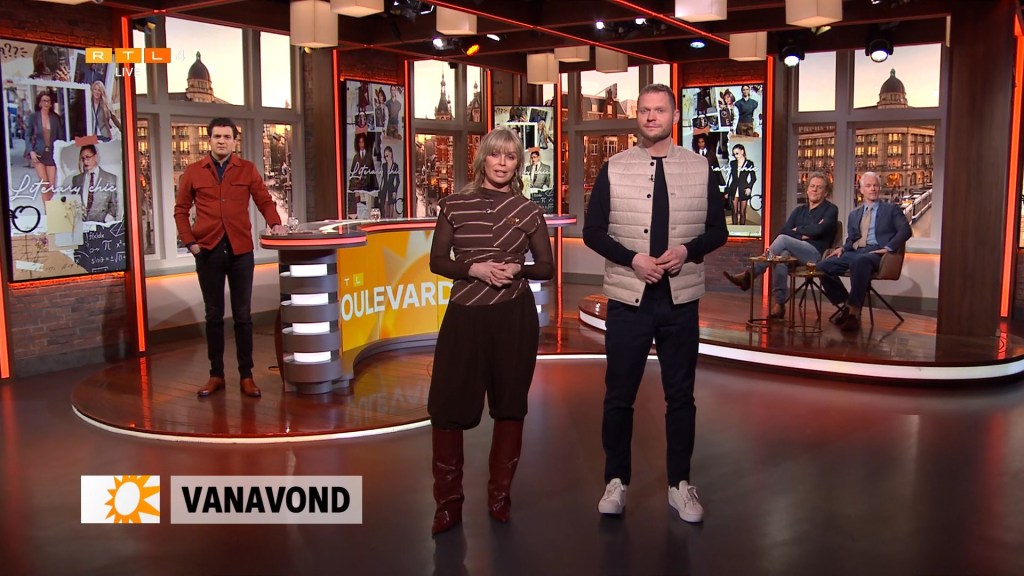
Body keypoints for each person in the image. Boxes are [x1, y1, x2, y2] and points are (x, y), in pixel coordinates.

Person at [583, 84, 727, 524]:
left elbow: (718, 231)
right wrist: (633, 259)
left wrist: (687, 251)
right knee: (618, 395)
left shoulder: (700, 167)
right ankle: (616, 481)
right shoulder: (614, 167)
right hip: (628, 299)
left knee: (680, 396)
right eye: (644, 110)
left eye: (659, 110)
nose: (650, 117)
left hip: (680, 301)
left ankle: (680, 484)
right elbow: (593, 231)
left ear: (674, 116)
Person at [426, 126, 554, 534]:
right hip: (465, 315)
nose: (502, 163)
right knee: (446, 407)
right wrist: (474, 269)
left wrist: (518, 269)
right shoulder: (454, 205)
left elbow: (546, 267)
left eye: (510, 157)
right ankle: (448, 505)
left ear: (518, 164)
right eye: (496, 155)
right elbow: (437, 261)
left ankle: (500, 498)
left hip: (513, 317)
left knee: (510, 405)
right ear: (483, 159)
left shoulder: (528, 211)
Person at [173, 117, 287, 398]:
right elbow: (180, 210)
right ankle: (216, 375)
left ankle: (246, 376)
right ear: (209, 140)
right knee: (213, 316)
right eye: (217, 136)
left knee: (243, 317)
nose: (221, 141)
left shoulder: (247, 170)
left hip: (240, 252)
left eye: (226, 137)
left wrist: (275, 223)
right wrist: (190, 243)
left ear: (235, 141)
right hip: (207, 251)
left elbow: (264, 200)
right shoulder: (193, 172)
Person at [722, 172, 839, 318]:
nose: (814, 190)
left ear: (826, 192)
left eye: (819, 187)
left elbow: (819, 230)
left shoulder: (831, 209)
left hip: (815, 254)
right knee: (782, 258)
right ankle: (779, 304)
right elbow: (785, 230)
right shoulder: (799, 211)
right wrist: (805, 233)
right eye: (812, 186)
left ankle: (750, 275)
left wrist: (797, 231)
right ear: (807, 189)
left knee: (783, 240)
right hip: (795, 254)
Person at [817, 171, 912, 332]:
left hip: (877, 253)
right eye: (868, 186)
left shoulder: (891, 209)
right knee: (822, 266)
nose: (872, 189)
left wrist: (888, 248)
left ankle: (854, 314)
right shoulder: (854, 214)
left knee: (860, 261)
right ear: (861, 190)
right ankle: (846, 304)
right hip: (856, 251)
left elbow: (905, 231)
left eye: (875, 186)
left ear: (879, 188)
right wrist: (842, 248)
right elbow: (852, 239)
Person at [27, 90, 65, 202]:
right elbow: (27, 135)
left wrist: (61, 153)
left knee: (51, 186)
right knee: (45, 184)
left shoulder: (55, 118)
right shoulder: (34, 117)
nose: (46, 103)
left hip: (51, 155)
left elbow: (60, 137)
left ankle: (50, 209)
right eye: (44, 101)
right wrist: (31, 151)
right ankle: (47, 211)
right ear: (39, 103)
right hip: (38, 154)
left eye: (48, 101)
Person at [69, 144, 120, 223]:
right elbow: (73, 204)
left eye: (88, 157)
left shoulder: (110, 178)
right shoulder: (76, 180)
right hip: (82, 226)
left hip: (101, 226)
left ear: (95, 157)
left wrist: (107, 222)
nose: (85, 162)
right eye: (83, 159)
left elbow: (114, 206)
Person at [725, 143, 756, 225]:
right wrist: (726, 191)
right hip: (733, 188)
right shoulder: (732, 163)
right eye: (734, 154)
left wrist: (749, 188)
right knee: (734, 211)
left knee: (743, 212)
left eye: (737, 153)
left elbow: (753, 178)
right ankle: (735, 229)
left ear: (742, 152)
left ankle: (742, 229)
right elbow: (729, 178)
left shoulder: (749, 163)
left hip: (744, 189)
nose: (735, 156)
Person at [378, 145, 401, 219]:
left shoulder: (395, 166)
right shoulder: (384, 165)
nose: (386, 158)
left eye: (387, 155)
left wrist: (395, 191)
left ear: (391, 154)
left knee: (391, 213)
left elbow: (398, 181)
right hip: (385, 189)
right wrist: (380, 193)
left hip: (391, 189)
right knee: (385, 213)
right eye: (385, 156)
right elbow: (381, 180)